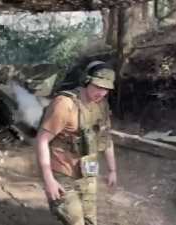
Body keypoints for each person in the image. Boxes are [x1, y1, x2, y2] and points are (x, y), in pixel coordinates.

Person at [36, 61, 117, 225]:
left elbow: (105, 138)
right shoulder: (65, 104)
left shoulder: (101, 105)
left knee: (90, 221)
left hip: (88, 173)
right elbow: (42, 140)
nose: (102, 92)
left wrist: (112, 169)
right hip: (63, 174)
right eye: (98, 86)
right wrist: (48, 179)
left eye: (106, 89)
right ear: (86, 81)